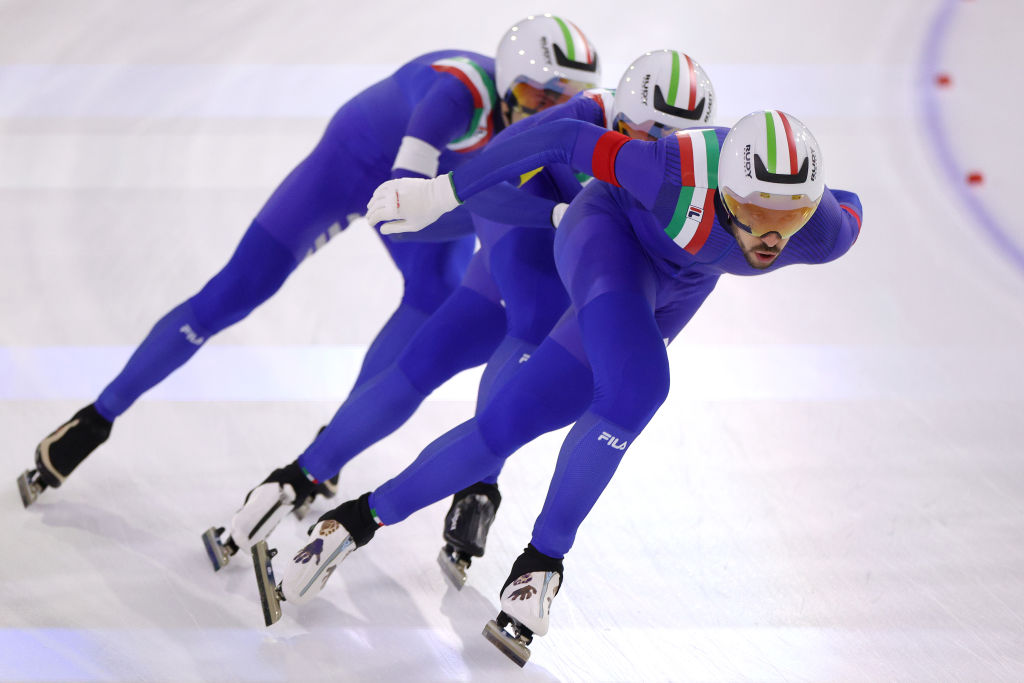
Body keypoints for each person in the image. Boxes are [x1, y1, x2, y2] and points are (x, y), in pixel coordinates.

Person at [259, 107, 862, 665]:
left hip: (680, 287)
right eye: (757, 215)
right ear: (724, 192)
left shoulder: (824, 230)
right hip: (606, 237)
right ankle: (543, 562)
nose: (771, 238)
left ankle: (354, 521)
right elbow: (561, 137)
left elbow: (851, 205)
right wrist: (440, 194)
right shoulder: (670, 170)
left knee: (511, 423)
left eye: (792, 217)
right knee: (637, 390)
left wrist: (799, 215)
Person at [16, 14, 598, 510]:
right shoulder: (460, 90)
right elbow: (407, 186)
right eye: (533, 96)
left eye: (560, 100)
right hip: (356, 167)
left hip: (420, 195)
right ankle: (96, 416)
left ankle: (338, 438)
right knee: (236, 290)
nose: (542, 111)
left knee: (435, 298)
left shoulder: (546, 126)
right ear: (508, 80)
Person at [216, 51, 714, 588]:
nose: (637, 159)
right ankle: (386, 480)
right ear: (615, 115)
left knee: (452, 355)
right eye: (630, 136)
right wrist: (516, 209)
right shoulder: (581, 122)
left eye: (664, 152)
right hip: (531, 231)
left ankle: (304, 476)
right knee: (506, 333)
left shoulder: (699, 169)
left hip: (586, 248)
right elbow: (485, 182)